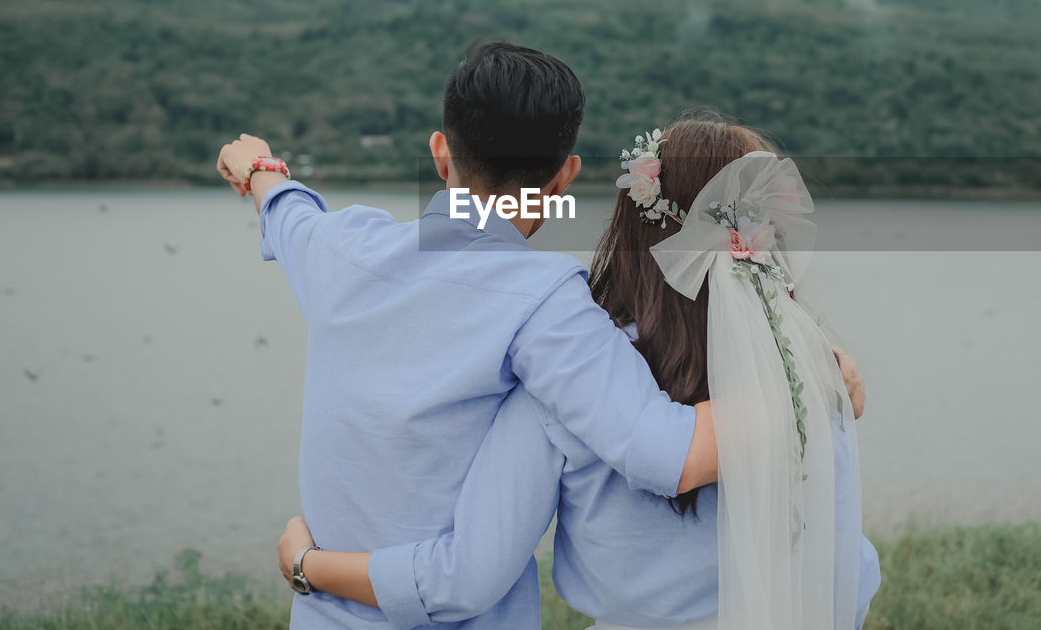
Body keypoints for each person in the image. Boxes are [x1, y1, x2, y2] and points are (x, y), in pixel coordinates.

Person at [276, 115, 880, 629]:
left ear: (634, 219)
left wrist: (308, 564)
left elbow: (464, 578)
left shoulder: (568, 382)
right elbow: (848, 573)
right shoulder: (811, 375)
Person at [215, 42, 722, 629]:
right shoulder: (549, 300)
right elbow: (667, 452)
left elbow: (285, 210)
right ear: (565, 177)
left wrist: (258, 167)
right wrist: (806, 374)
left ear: (440, 152)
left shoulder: (341, 250)